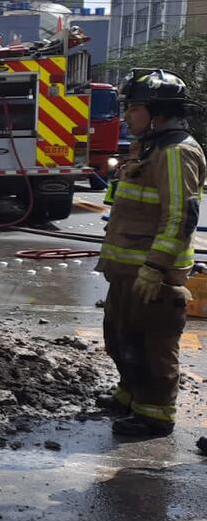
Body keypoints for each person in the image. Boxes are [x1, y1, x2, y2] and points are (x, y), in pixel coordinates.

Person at [99, 68, 205, 438]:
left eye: (134, 108)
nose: (126, 115)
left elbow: (180, 215)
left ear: (157, 111)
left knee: (154, 346)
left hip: (152, 275)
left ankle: (154, 415)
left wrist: (155, 267)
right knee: (120, 336)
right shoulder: (149, 147)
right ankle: (130, 396)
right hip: (127, 270)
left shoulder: (176, 153)